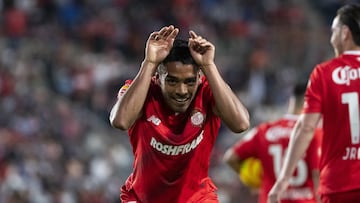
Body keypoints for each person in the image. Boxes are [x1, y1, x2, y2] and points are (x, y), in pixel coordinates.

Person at [109, 25, 250, 203]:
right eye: (172, 81)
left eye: (189, 82)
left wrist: (209, 65)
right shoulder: (141, 90)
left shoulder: (206, 90)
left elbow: (241, 124)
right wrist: (149, 63)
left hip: (197, 199)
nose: (182, 90)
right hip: (142, 198)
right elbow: (120, 121)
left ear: (199, 78)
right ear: (157, 77)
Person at [268, 4, 360, 203]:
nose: (330, 37)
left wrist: (284, 179)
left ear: (345, 33)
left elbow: (306, 126)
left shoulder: (324, 73)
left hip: (339, 184)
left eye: (333, 31)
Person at [223, 82, 322, 203]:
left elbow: (230, 157)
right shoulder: (315, 134)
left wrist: (254, 181)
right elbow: (317, 174)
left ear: (292, 100)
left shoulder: (265, 131)